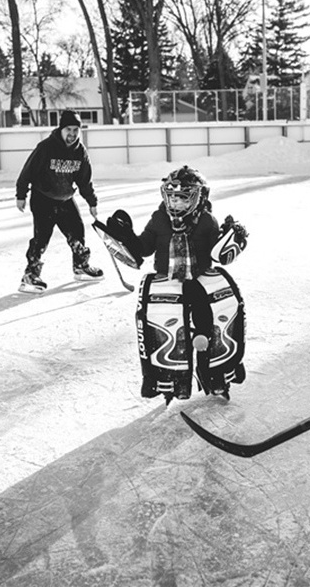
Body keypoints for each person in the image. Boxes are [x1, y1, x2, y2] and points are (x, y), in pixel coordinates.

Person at [99, 165, 248, 405]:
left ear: (198, 198)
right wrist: (124, 237)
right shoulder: (159, 219)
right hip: (167, 277)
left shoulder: (207, 221)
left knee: (205, 307)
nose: (176, 203)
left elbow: (217, 251)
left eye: (182, 198)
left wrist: (231, 237)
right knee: (163, 323)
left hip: (196, 276)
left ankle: (214, 368)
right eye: (172, 197)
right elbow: (144, 247)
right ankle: (170, 378)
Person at [15, 109, 103, 293]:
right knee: (42, 238)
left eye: (75, 130)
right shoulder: (46, 147)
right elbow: (27, 172)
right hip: (43, 198)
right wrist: (21, 195)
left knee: (77, 232)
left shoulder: (80, 151)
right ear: (61, 129)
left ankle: (81, 267)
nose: (72, 134)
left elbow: (84, 180)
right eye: (68, 129)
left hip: (65, 198)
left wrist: (92, 202)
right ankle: (30, 275)